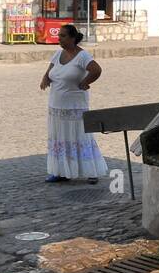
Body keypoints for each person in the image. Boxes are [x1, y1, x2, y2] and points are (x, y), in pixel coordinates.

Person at [39, 24, 108, 184]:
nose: (59, 39)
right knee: (60, 138)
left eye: (63, 36)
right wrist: (45, 78)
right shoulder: (57, 54)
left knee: (81, 136)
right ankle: (61, 171)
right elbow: (50, 70)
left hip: (75, 106)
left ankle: (91, 171)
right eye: (59, 36)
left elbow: (96, 70)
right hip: (56, 106)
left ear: (72, 38)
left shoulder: (83, 56)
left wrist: (85, 82)